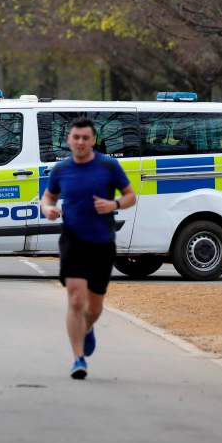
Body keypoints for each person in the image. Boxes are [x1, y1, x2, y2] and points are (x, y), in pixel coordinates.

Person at [40, 116, 136, 380]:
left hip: (102, 243)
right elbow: (48, 196)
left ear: (93, 140)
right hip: (73, 240)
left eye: (85, 138)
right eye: (76, 137)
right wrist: (48, 208)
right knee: (75, 298)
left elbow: (130, 195)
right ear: (69, 140)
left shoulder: (108, 166)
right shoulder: (61, 170)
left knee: (93, 308)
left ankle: (88, 327)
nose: (80, 142)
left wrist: (113, 205)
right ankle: (78, 359)